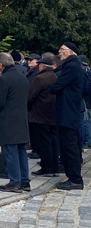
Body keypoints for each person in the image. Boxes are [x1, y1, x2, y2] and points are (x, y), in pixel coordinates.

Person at [0, 52, 31, 193]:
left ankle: (15, 181)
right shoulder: (23, 77)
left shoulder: (4, 79)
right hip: (21, 117)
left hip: (8, 119)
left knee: (11, 150)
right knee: (21, 150)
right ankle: (25, 180)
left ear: (1, 64)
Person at [48, 42, 85, 190]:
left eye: (62, 49)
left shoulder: (72, 67)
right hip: (68, 112)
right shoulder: (72, 66)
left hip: (68, 113)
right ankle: (73, 177)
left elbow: (56, 86)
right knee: (69, 146)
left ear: (70, 52)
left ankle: (75, 179)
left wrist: (54, 87)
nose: (59, 52)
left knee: (69, 147)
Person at [28, 57, 59, 177]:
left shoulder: (40, 78)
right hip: (54, 114)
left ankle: (46, 167)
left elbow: (31, 96)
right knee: (54, 141)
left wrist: (28, 107)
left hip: (41, 114)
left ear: (43, 66)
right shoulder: (56, 77)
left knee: (44, 142)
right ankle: (54, 166)